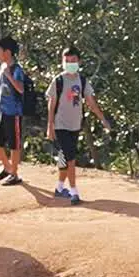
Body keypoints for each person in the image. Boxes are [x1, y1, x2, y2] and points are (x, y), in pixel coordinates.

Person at [45, 46, 111, 205]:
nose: (69, 64)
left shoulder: (82, 81)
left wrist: (103, 119)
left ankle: (60, 188)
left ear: (79, 62)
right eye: (66, 61)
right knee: (71, 159)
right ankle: (74, 191)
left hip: (75, 125)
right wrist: (50, 125)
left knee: (64, 159)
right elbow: (51, 104)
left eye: (73, 61)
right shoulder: (58, 81)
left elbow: (91, 102)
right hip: (61, 125)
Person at [0, 36, 26, 186]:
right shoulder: (2, 67)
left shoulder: (16, 69)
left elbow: (20, 89)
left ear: (7, 52)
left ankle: (15, 174)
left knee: (14, 144)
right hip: (0, 111)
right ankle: (7, 167)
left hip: (13, 112)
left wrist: (9, 75)